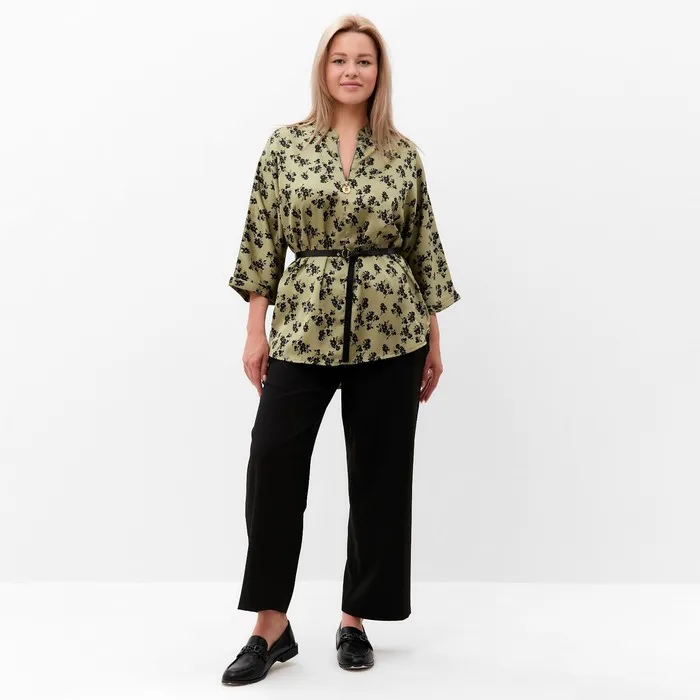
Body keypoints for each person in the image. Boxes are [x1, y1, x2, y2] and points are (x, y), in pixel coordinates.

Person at [221, 14, 461, 685]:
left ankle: (356, 617)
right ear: (322, 70)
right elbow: (262, 237)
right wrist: (255, 329)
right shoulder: (286, 145)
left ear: (379, 74)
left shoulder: (403, 154)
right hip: (303, 326)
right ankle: (271, 625)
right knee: (273, 462)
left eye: (364, 60)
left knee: (380, 475)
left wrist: (434, 339)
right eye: (340, 60)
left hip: (394, 330)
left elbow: (422, 245)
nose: (352, 70)